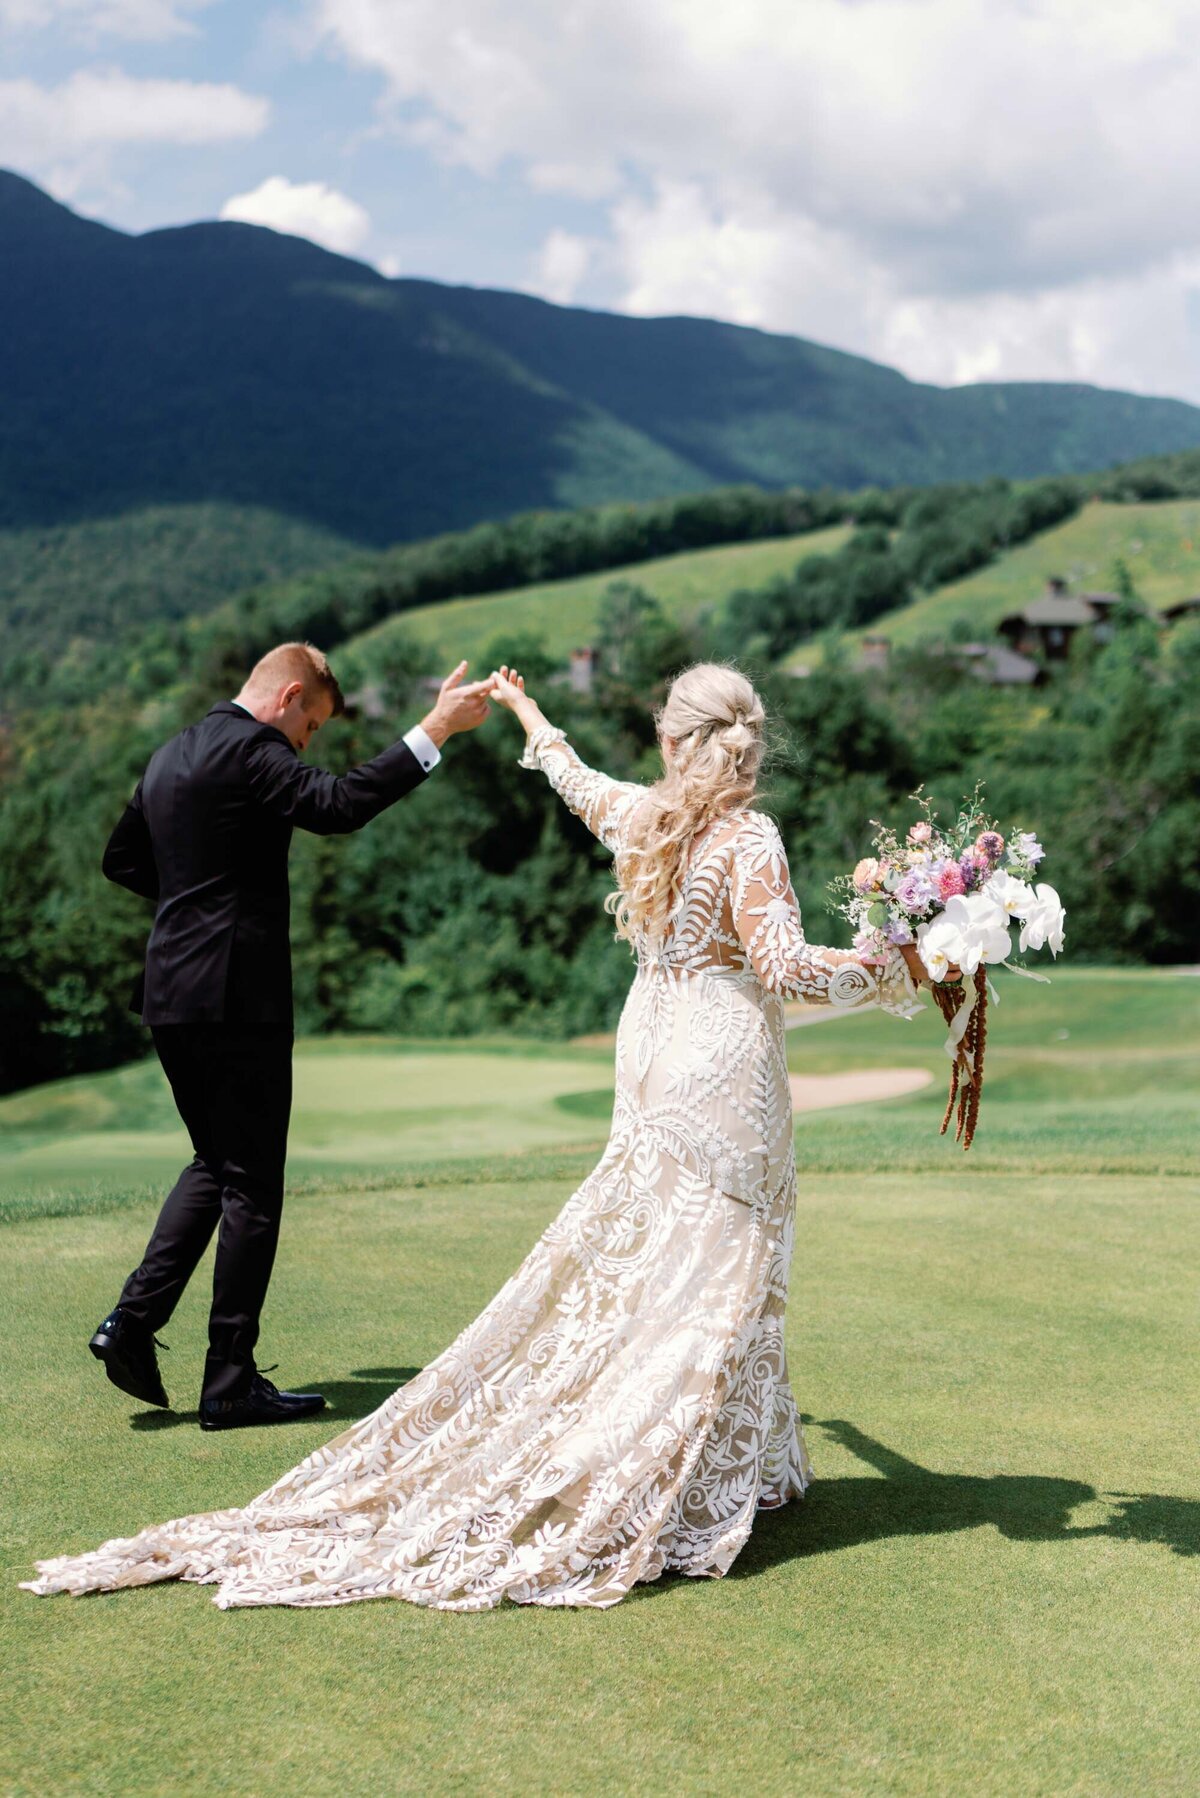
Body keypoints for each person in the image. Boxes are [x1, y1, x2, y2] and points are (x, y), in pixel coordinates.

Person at [24, 662, 953, 1608]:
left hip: (647, 1058)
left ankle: (748, 1458)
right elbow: (787, 967)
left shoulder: (647, 818)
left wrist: (523, 711)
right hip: (719, 1067)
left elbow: (568, 773)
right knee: (716, 1268)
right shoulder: (747, 835)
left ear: (674, 743)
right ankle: (667, 1472)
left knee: (651, 1266)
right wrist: (908, 963)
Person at [87, 643, 491, 1432]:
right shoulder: (252, 747)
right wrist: (434, 728)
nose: (306, 743)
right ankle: (229, 1382)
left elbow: (121, 859)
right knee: (253, 1188)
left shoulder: (172, 754)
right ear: (289, 697)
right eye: (310, 725)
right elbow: (337, 806)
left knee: (217, 1164)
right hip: (238, 998)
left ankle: (131, 1324)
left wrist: (199, 900)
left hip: (170, 993)